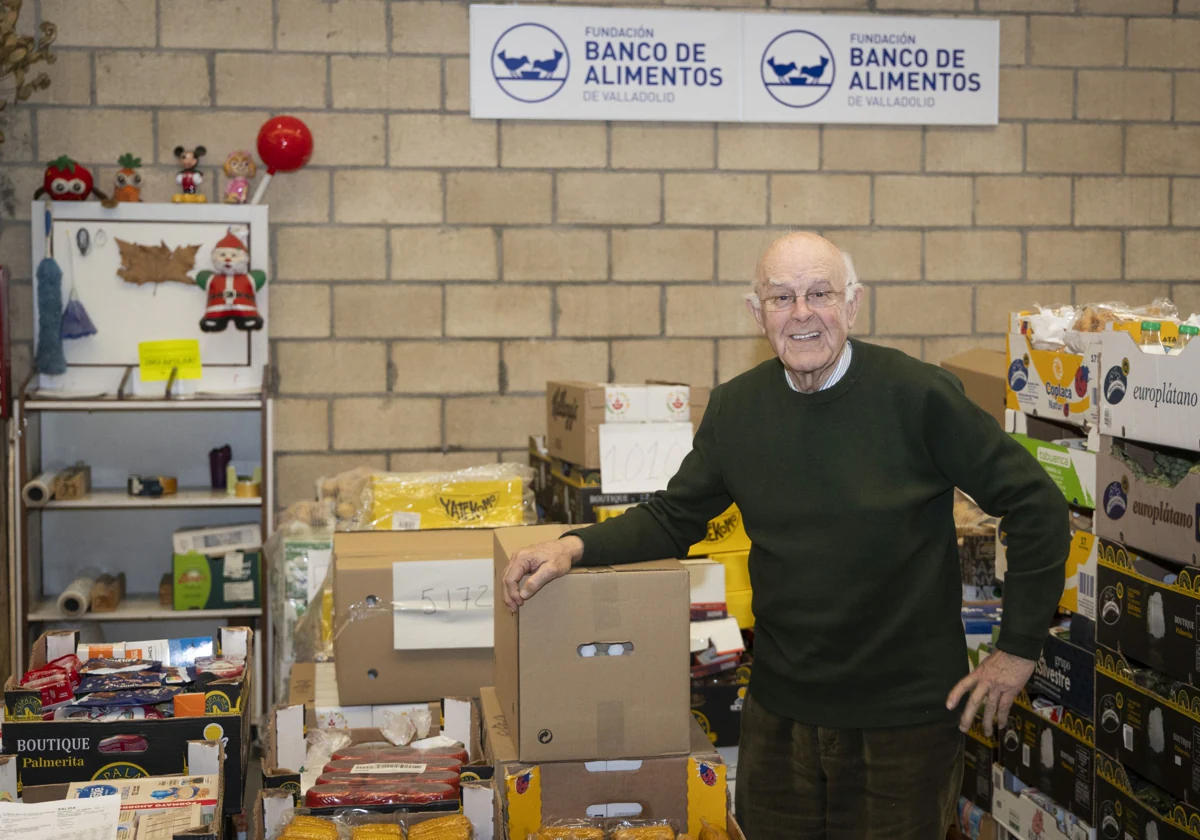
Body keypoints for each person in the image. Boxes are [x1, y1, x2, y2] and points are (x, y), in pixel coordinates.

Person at [501, 232, 1070, 840]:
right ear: (758, 313)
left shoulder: (918, 397)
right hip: (780, 716)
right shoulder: (737, 410)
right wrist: (573, 546)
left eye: (819, 293)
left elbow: (1036, 503)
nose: (802, 314)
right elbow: (675, 517)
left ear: (852, 305)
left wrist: (1017, 649)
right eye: (782, 298)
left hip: (904, 722)